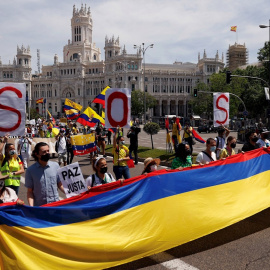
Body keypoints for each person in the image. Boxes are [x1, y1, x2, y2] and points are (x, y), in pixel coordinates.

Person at [25, 142, 65, 206]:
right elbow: (30, 192)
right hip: (40, 207)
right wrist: (31, 207)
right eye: (44, 152)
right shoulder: (30, 170)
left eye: (48, 151)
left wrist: (72, 194)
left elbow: (60, 185)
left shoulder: (55, 166)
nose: (47, 153)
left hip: (55, 205)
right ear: (37, 154)